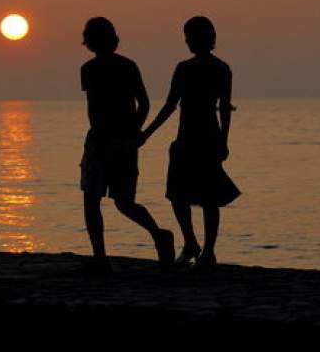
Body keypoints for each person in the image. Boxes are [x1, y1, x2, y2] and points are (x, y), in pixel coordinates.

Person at [140, 16, 240, 269]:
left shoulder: (191, 68)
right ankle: (197, 246)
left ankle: (204, 249)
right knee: (187, 195)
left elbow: (173, 105)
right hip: (197, 137)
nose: (187, 41)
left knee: (197, 195)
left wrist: (146, 133)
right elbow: (222, 108)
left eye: (189, 36)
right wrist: (224, 140)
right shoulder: (218, 67)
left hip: (198, 137)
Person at [78, 16, 175, 273]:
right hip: (106, 141)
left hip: (114, 142)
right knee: (104, 200)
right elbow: (140, 104)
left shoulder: (105, 68)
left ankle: (157, 236)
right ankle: (102, 257)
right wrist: (134, 133)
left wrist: (133, 134)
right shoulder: (98, 69)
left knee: (113, 201)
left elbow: (138, 103)